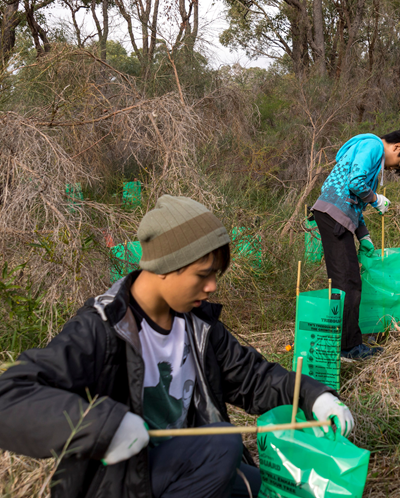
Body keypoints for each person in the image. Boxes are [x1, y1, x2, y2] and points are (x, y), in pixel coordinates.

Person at [0, 195, 354, 498]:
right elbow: (10, 398)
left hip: (181, 470)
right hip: (119, 482)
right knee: (222, 444)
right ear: (164, 267)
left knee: (259, 484)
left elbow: (252, 377)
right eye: (204, 274)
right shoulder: (102, 329)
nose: (213, 286)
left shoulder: (197, 324)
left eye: (217, 274)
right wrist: (105, 426)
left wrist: (314, 396)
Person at [311, 130, 400, 360]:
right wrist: (376, 198)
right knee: (347, 283)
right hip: (334, 216)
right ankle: (348, 348)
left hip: (335, 215)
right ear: (397, 147)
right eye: (396, 166)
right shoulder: (373, 146)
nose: (390, 169)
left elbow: (355, 202)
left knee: (347, 280)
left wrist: (364, 236)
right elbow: (355, 183)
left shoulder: (370, 151)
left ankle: (345, 343)